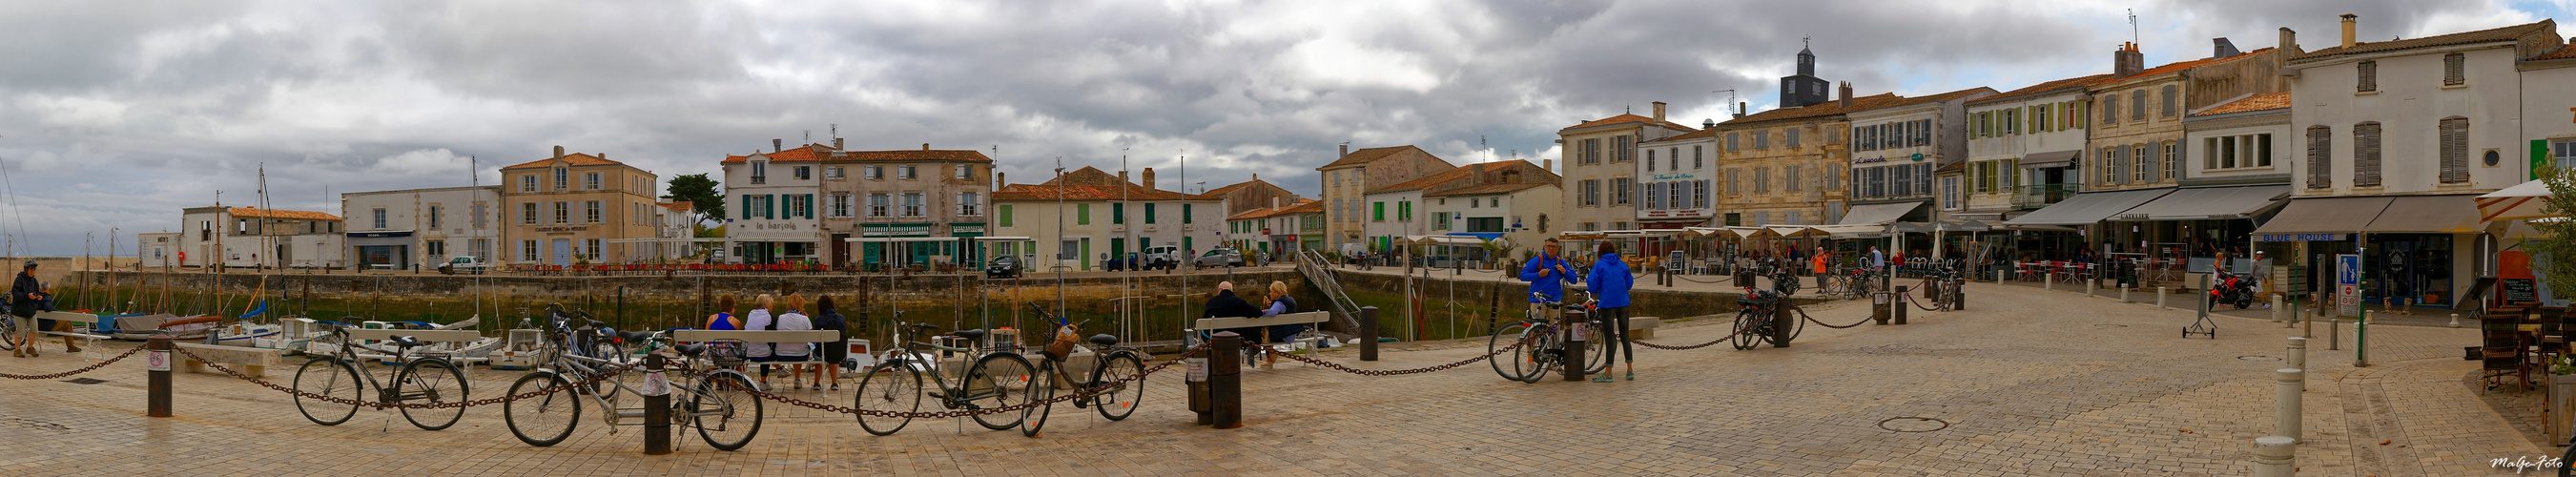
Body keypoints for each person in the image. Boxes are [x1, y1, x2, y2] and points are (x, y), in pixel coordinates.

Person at [1585, 242, 1635, 383]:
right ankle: (1630, 369)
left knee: (1610, 337)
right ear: (1614, 250)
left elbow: (1593, 286)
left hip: (1607, 304)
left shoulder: (1599, 266)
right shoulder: (1622, 265)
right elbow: (1629, 284)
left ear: (1600, 252)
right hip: (1623, 302)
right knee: (1625, 335)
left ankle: (1608, 373)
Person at [1518, 238, 1577, 315]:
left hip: (1555, 301)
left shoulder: (1560, 262)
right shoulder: (1537, 260)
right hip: (1538, 301)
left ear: (1557, 249)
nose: (1551, 248)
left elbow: (1574, 280)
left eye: (1553, 246)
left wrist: (1564, 271)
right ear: (1544, 247)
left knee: (1554, 326)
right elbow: (1523, 276)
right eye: (1549, 246)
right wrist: (1538, 275)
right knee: (1537, 326)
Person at [770, 294, 816, 390]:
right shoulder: (804, 318)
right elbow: (813, 339)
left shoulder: (780, 318)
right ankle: (797, 379)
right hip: (800, 355)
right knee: (799, 347)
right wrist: (807, 320)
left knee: (795, 346)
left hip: (780, 355)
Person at [812, 296, 848, 390]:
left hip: (822, 353)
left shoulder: (818, 319)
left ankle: (816, 383)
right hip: (837, 353)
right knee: (832, 353)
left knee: (821, 355)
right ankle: (834, 383)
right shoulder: (840, 317)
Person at [10, 260, 42, 358]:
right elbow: (15, 293)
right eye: (31, 269)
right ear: (26, 270)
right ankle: (17, 350)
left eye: (34, 269)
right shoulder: (19, 279)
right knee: (20, 331)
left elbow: (36, 292)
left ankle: (30, 347)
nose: (33, 271)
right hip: (19, 310)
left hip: (30, 310)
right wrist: (27, 296)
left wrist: (37, 297)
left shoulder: (34, 281)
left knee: (34, 329)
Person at [742, 294, 775, 384]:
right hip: (764, 355)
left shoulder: (751, 314)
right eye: (772, 305)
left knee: (763, 346)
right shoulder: (771, 317)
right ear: (767, 305)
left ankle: (780, 369)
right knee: (768, 348)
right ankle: (763, 382)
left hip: (748, 353)